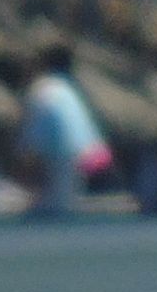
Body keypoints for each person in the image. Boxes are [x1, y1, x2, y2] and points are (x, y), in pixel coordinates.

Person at [18, 44, 111, 214]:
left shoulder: (43, 89)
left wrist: (26, 158)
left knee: (56, 208)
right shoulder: (70, 88)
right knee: (66, 205)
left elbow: (33, 139)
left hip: (62, 155)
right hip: (85, 154)